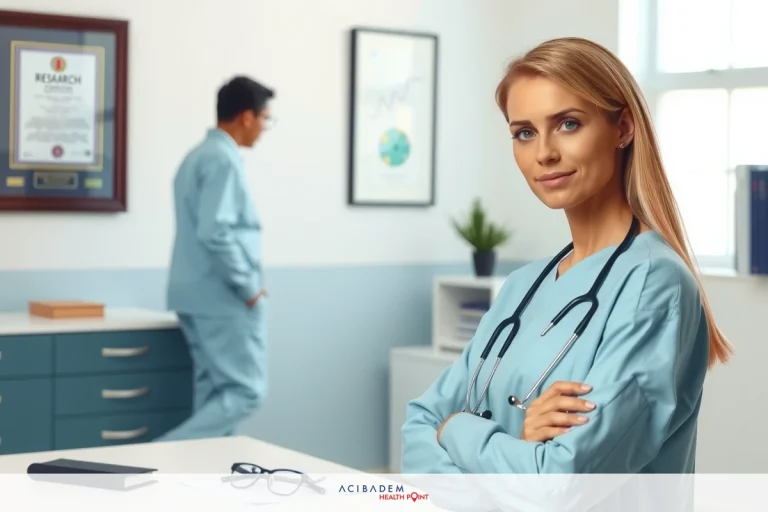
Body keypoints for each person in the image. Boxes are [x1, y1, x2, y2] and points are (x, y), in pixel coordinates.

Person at [400, 37, 733, 474]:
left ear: (623, 128)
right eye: (524, 133)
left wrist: (457, 430)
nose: (544, 153)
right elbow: (417, 431)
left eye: (569, 124)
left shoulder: (653, 284)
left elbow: (560, 483)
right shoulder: (522, 288)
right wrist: (516, 442)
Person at [158, 76, 275, 441]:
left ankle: (204, 486)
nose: (264, 128)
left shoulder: (196, 157)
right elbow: (216, 232)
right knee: (246, 392)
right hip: (222, 296)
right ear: (245, 117)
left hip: (191, 294)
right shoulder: (222, 161)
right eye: (264, 119)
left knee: (214, 394)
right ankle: (159, 457)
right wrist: (248, 286)